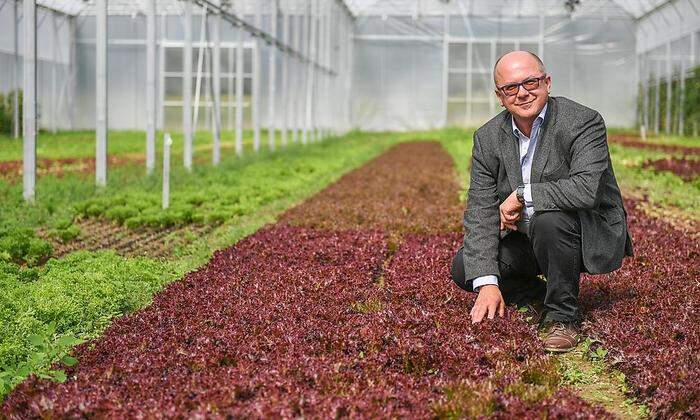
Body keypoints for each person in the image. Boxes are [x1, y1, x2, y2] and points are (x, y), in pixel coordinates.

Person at [450, 51, 633, 353]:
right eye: (511, 87)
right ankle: (542, 294)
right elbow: (481, 210)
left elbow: (587, 189)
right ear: (500, 96)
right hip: (528, 236)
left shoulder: (582, 122)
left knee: (549, 218)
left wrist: (522, 195)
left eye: (530, 82)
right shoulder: (487, 137)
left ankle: (563, 316)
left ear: (547, 82)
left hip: (580, 233)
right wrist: (488, 284)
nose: (522, 93)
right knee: (464, 268)